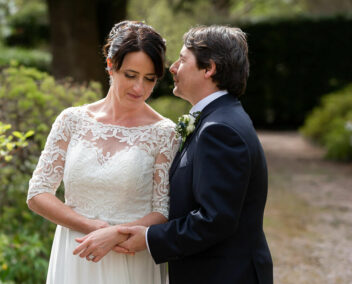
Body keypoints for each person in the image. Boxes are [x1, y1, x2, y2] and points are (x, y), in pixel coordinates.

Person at [115, 25, 274, 283]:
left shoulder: (220, 129)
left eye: (182, 59)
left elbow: (214, 220)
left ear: (209, 68)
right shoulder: (217, 119)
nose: (173, 67)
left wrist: (147, 238)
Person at [27, 20, 178, 284]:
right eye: (130, 75)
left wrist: (116, 234)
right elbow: (38, 193)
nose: (139, 88)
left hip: (130, 256)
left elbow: (163, 210)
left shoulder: (165, 133)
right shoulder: (71, 120)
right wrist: (92, 228)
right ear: (110, 66)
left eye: (149, 79)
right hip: (76, 251)